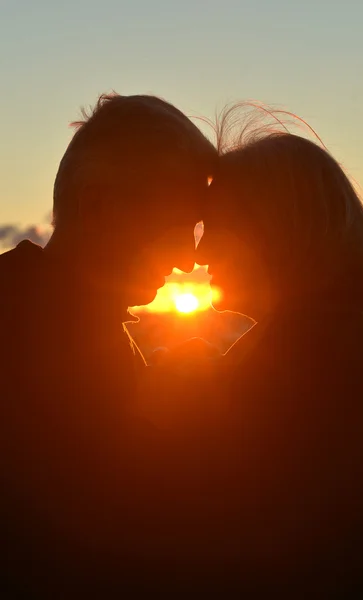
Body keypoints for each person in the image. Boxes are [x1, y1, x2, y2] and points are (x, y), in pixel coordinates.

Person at [0, 93, 216, 595]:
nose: (188, 257)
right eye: (173, 221)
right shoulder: (28, 333)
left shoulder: (90, 335)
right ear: (96, 203)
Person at [193, 117, 363, 595]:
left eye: (222, 227)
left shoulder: (298, 367)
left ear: (280, 229)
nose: (203, 253)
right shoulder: (339, 340)